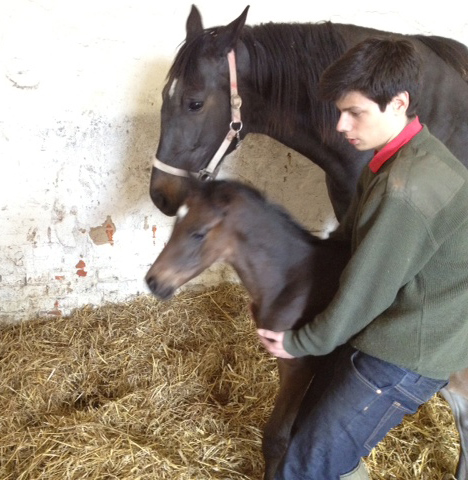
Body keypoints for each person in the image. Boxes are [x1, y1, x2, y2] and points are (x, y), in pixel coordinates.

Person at [257, 36, 468, 480]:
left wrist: (301, 342)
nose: (340, 125)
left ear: (398, 103)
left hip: (409, 349)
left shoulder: (405, 189)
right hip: (400, 322)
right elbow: (349, 244)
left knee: (304, 467)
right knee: (306, 437)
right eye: (340, 111)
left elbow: (364, 290)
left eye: (355, 112)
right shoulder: (399, 157)